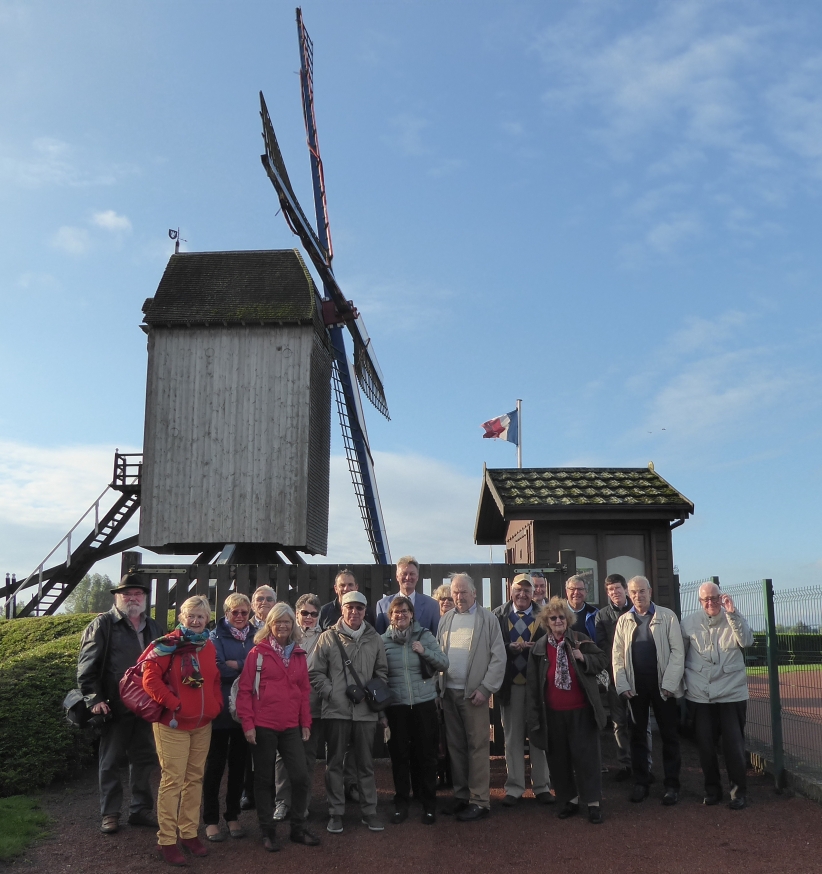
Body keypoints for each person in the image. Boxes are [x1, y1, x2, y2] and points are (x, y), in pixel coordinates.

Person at [76, 573, 161, 835]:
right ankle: (110, 814)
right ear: (117, 597)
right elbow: (87, 665)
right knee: (110, 761)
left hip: (146, 706)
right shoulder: (102, 624)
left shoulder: (154, 627)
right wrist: (94, 699)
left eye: (138, 594)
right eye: (128, 594)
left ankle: (140, 810)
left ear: (145, 598)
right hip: (114, 706)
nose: (133, 598)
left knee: (145, 759)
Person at [142, 595, 222, 866]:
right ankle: (166, 840)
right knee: (173, 780)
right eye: (191, 616)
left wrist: (216, 704)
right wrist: (174, 704)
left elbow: (214, 678)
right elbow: (149, 679)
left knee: (195, 778)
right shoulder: (168, 645)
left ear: (207, 618)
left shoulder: (208, 645)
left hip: (202, 723)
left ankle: (188, 833)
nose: (196, 621)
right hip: (173, 724)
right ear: (181, 617)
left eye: (201, 616)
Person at [235, 602, 320, 851]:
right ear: (270, 624)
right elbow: (244, 691)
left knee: (301, 777)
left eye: (287, 621)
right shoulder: (257, 653)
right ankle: (267, 830)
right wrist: (248, 724)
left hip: (291, 725)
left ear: (292, 625)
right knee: (263, 779)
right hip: (263, 725)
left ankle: (297, 827)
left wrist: (306, 721)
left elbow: (304, 691)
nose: (282, 625)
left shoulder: (298, 654)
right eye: (277, 621)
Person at [311, 590, 389, 834]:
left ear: (366, 611)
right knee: (334, 763)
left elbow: (382, 671)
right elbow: (314, 672)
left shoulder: (375, 639)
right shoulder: (327, 638)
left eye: (359, 608)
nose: (354, 612)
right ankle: (335, 813)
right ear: (342, 609)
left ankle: (369, 811)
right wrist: (332, 693)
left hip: (366, 712)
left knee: (366, 764)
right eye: (350, 607)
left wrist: (374, 691)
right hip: (336, 711)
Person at [525, 597, 608, 824]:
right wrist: (533, 718)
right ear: (546, 622)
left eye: (562, 617)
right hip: (552, 713)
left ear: (568, 619)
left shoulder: (580, 640)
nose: (558, 621)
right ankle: (568, 801)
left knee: (587, 759)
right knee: (559, 761)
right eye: (553, 618)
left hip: (581, 710)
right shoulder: (539, 648)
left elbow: (602, 659)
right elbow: (533, 685)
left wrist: (584, 658)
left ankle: (592, 803)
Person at [436, 573, 506, 822]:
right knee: (456, 747)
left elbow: (499, 658)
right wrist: (439, 688)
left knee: (477, 747)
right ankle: (462, 796)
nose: (459, 596)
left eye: (464, 592)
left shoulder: (487, 620)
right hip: (449, 693)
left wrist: (486, 688)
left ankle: (480, 801)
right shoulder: (446, 619)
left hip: (474, 695)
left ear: (475, 594)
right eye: (455, 592)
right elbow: (438, 654)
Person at [612, 575, 685, 805]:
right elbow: (617, 656)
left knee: (669, 736)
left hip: (664, 688)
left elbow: (677, 653)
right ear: (628, 594)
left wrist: (670, 684)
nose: (637, 596)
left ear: (650, 592)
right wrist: (622, 685)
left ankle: (672, 785)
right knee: (637, 736)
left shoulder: (667, 616)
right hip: (635, 688)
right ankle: (641, 782)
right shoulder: (624, 620)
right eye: (633, 592)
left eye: (641, 591)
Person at [681, 582, 753, 810]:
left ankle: (738, 793)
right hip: (700, 695)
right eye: (705, 600)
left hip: (731, 693)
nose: (710, 603)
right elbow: (679, 655)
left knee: (733, 746)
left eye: (714, 598)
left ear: (721, 598)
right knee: (705, 746)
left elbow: (747, 641)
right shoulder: (688, 623)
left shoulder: (733, 618)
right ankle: (712, 790)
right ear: (700, 601)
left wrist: (733, 613)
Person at [381, 595, 449, 825]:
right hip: (397, 707)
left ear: (412, 615)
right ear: (390, 617)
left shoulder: (424, 636)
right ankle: (401, 802)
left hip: (424, 704)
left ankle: (428, 803)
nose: (401, 616)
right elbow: (379, 675)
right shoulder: (383, 642)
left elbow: (443, 663)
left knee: (426, 756)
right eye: (396, 612)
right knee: (400, 756)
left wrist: (424, 652)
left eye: (405, 612)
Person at [492, 573, 552, 807]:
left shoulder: (544, 615)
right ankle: (515, 787)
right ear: (511, 589)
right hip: (511, 686)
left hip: (537, 685)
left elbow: (554, 642)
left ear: (533, 592)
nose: (523, 594)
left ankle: (542, 786)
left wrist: (536, 648)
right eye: (519, 589)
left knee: (539, 735)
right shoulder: (498, 615)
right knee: (512, 738)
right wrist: (510, 647)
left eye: (527, 590)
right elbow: (494, 646)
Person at [202, 593, 255, 842]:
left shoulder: (256, 635)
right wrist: (246, 667)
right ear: (227, 613)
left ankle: (232, 815)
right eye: (235, 612)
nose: (240, 617)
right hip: (222, 709)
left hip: (245, 709)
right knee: (215, 765)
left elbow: (260, 667)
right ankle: (211, 820)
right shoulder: (215, 637)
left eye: (244, 612)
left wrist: (239, 664)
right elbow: (217, 667)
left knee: (238, 766)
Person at [594, 573, 652, 781]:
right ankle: (626, 764)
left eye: (618, 588)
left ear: (625, 590)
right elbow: (602, 647)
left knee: (641, 722)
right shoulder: (602, 616)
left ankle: (646, 764)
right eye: (610, 590)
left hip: (639, 676)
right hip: (615, 676)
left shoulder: (637, 610)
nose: (615, 593)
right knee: (619, 722)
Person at [273, 593, 324, 822]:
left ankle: (302, 803)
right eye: (304, 613)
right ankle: (283, 801)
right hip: (285, 707)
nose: (309, 618)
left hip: (312, 707)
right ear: (296, 614)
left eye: (314, 614)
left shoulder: (326, 638)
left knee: (307, 756)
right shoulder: (285, 638)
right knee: (281, 756)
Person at [375, 556, 440, 634]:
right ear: (397, 577)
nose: (408, 577)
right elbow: (380, 639)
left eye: (412, 574)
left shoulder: (432, 605)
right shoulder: (383, 605)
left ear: (417, 577)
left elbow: (435, 638)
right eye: (404, 574)